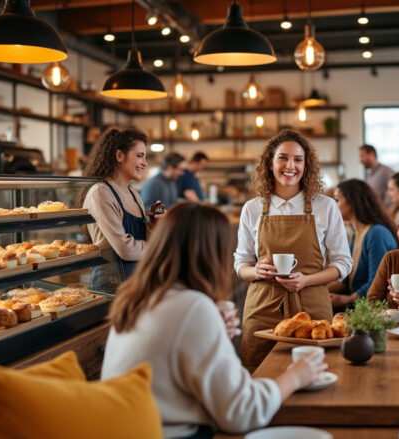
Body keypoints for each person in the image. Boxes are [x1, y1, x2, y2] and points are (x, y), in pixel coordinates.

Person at [102, 203, 327, 439]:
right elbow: (242, 411)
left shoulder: (136, 298)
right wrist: (296, 376)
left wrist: (214, 331)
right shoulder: (193, 307)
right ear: (211, 254)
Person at [234, 129, 353, 371]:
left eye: (298, 159)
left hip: (313, 310)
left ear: (306, 166)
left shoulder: (326, 206)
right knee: (258, 373)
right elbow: (240, 264)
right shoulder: (252, 208)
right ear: (269, 163)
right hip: (263, 307)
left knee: (318, 374)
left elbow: (343, 264)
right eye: (283, 158)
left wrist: (306, 280)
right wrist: (257, 271)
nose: (291, 166)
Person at [81, 127, 163, 291]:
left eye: (145, 157)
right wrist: (158, 249)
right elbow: (125, 249)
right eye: (139, 156)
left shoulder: (133, 194)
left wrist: (153, 224)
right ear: (119, 155)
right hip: (111, 285)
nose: (145, 163)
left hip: (135, 281)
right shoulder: (101, 193)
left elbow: (143, 240)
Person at [327, 179, 398, 312]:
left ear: (352, 202)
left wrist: (346, 299)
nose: (333, 205)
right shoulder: (358, 233)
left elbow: (377, 283)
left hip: (373, 308)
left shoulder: (377, 233)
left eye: (337, 200)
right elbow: (348, 280)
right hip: (359, 303)